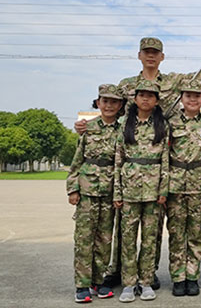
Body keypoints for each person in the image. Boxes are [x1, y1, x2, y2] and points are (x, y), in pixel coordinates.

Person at [74, 33, 201, 289]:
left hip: (161, 157)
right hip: (128, 159)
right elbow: (110, 112)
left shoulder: (172, 81)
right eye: (146, 51)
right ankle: (119, 271)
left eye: (155, 52)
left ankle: (149, 272)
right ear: (139, 55)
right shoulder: (126, 85)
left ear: (162, 57)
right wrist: (86, 126)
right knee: (124, 225)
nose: (150, 55)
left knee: (153, 228)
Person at [113, 80, 169, 303]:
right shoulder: (125, 125)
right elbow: (119, 160)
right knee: (127, 239)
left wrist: (163, 190)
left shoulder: (161, 126)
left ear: (156, 101)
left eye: (151, 95)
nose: (146, 99)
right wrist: (117, 192)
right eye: (142, 95)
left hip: (153, 192)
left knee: (149, 239)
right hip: (130, 191)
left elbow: (165, 161)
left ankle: (145, 281)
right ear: (134, 99)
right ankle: (128, 283)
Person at [66, 84, 124, 303]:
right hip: (88, 192)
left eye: (113, 102)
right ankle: (81, 285)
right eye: (105, 101)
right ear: (98, 103)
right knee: (84, 239)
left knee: (104, 240)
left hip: (110, 194)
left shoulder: (122, 132)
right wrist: (73, 189)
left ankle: (98, 282)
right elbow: (76, 161)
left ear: (120, 106)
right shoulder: (87, 128)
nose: (109, 105)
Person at [165, 79, 201, 297]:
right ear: (182, 98)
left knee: (195, 234)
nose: (193, 99)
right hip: (175, 185)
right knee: (176, 233)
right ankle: (178, 276)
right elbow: (164, 156)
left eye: (197, 95)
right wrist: (163, 186)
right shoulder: (171, 123)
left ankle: (192, 276)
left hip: (197, 186)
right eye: (188, 96)